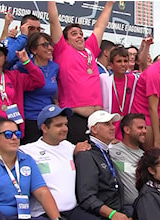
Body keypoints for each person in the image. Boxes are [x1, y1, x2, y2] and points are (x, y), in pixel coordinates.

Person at [75, 110, 141, 220]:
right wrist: (112, 214)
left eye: (112, 124)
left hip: (116, 207)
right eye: (106, 124)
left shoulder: (105, 150)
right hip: (99, 211)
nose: (112, 127)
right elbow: (87, 196)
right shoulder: (87, 153)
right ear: (94, 129)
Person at [47, 1, 113, 144]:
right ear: (66, 39)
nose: (79, 36)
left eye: (81, 34)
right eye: (74, 34)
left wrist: (109, 4)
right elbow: (53, 21)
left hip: (97, 118)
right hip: (75, 117)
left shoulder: (90, 50)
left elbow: (100, 26)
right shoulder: (62, 49)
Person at [20, 32, 59, 144]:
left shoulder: (54, 67)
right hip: (30, 119)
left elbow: (55, 94)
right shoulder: (24, 66)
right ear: (34, 50)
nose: (50, 48)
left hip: (49, 119)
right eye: (45, 45)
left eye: (50, 44)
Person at [109, 113, 147, 216]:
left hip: (146, 206)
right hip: (124, 208)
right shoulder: (111, 149)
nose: (144, 131)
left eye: (145, 128)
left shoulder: (146, 157)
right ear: (127, 130)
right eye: (140, 128)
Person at [100, 46, 139, 141]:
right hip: (110, 126)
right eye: (119, 61)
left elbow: (145, 69)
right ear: (111, 65)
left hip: (127, 127)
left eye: (125, 61)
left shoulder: (133, 79)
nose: (123, 64)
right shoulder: (104, 80)